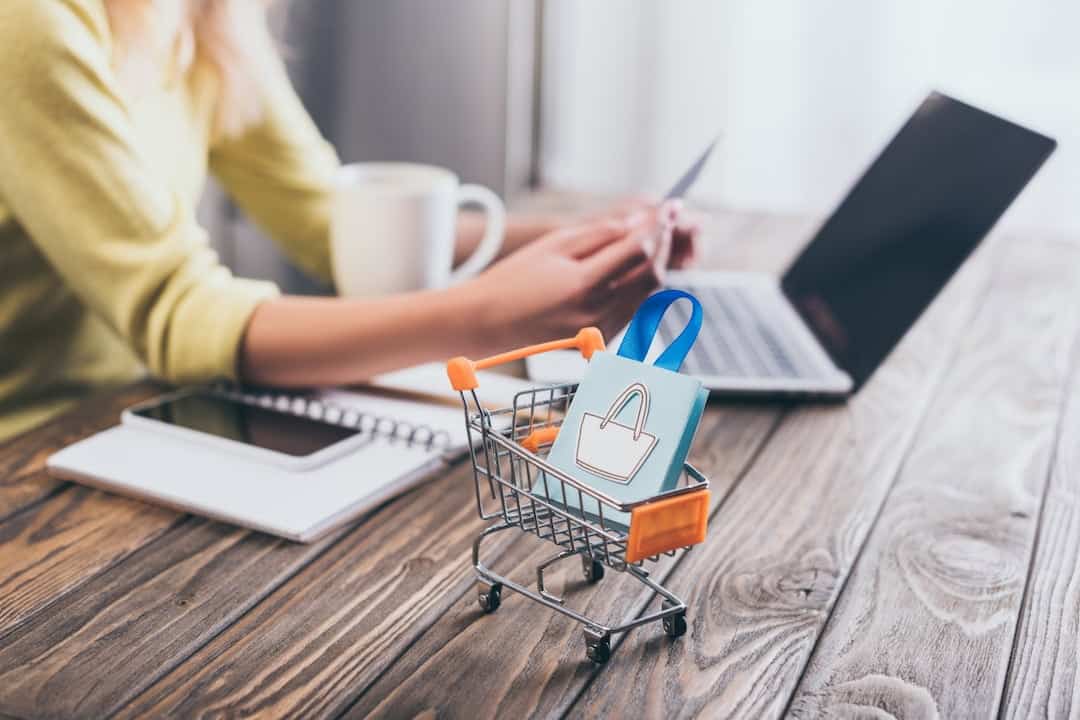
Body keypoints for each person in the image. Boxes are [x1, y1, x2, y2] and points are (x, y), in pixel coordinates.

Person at [0, 0, 699, 441]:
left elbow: (327, 218)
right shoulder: (27, 22)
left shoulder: (203, 15)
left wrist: (581, 241)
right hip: (34, 449)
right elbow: (177, 314)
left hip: (147, 414)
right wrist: (485, 315)